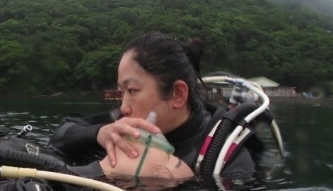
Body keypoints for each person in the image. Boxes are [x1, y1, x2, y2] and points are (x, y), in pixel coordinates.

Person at [50, 32, 264, 178]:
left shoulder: (227, 158)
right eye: (121, 92)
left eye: (132, 91)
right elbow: (62, 133)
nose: (124, 107)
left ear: (177, 95)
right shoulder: (125, 122)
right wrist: (99, 133)